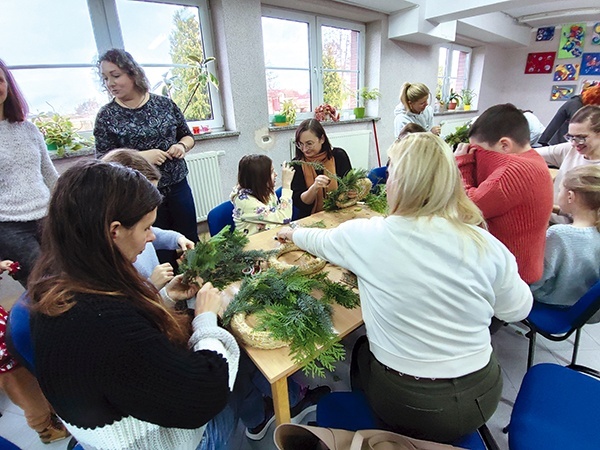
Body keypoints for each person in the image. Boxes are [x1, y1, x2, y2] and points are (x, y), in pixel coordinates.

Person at [276, 133, 532, 442]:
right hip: (482, 396)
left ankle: (385, 433)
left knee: (360, 352)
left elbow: (320, 240)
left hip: (408, 405)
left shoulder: (367, 235)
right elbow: (518, 308)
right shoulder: (486, 244)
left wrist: (292, 233)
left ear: (401, 180)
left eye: (391, 170)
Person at [27, 160, 239, 450]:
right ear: (114, 231)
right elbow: (204, 396)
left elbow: (126, 357)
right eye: (147, 227)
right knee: (234, 394)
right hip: (149, 440)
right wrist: (205, 318)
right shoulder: (106, 327)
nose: (152, 237)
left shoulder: (59, 282)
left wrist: (163, 298)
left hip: (102, 429)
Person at [93, 48, 198, 268]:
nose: (110, 83)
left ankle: (195, 283)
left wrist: (181, 146)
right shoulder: (106, 116)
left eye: (115, 75)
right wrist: (141, 158)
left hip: (177, 185)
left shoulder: (164, 104)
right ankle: (166, 291)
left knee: (188, 237)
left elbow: (187, 135)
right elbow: (103, 161)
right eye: (105, 78)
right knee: (155, 246)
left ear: (132, 73)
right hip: (140, 194)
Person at [455, 104, 554, 284]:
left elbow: (468, 208)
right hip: (522, 268)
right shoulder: (534, 159)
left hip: (510, 280)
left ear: (504, 145)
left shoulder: (515, 170)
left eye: (478, 151)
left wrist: (463, 165)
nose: (475, 156)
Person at [101, 149, 195, 293]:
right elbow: (132, 305)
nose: (151, 235)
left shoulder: (131, 230)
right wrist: (152, 284)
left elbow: (152, 233)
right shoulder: (115, 262)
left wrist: (176, 238)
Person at [0, 59, 58, 287]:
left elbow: (50, 175)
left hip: (47, 217)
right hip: (10, 226)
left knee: (70, 277)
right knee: (45, 286)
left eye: (0, 80)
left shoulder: (28, 129)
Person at [0, 261, 70, 444]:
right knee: (31, 400)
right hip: (6, 365)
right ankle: (45, 429)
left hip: (12, 343)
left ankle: (53, 413)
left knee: (41, 384)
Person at [530, 165, 600, 323]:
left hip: (550, 300)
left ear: (570, 196)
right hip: (581, 307)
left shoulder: (560, 235)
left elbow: (536, 279)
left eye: (559, 189)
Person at [536, 105, 600, 223]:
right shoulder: (569, 149)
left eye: (581, 137)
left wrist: (548, 208)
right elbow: (530, 154)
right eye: (571, 137)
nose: (575, 143)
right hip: (550, 221)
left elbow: (590, 217)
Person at [291, 119, 352, 219]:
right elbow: (300, 203)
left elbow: (349, 185)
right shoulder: (297, 165)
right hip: (311, 218)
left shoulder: (339, 156)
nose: (304, 149)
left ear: (322, 139)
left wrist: (352, 192)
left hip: (340, 213)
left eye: (309, 143)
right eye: (300, 144)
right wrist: (314, 187)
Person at [231, 154, 294, 236]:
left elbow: (277, 220)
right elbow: (284, 217)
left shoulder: (266, 190)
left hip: (269, 237)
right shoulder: (244, 201)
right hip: (252, 244)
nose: (276, 174)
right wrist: (286, 185)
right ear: (259, 178)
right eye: (271, 172)